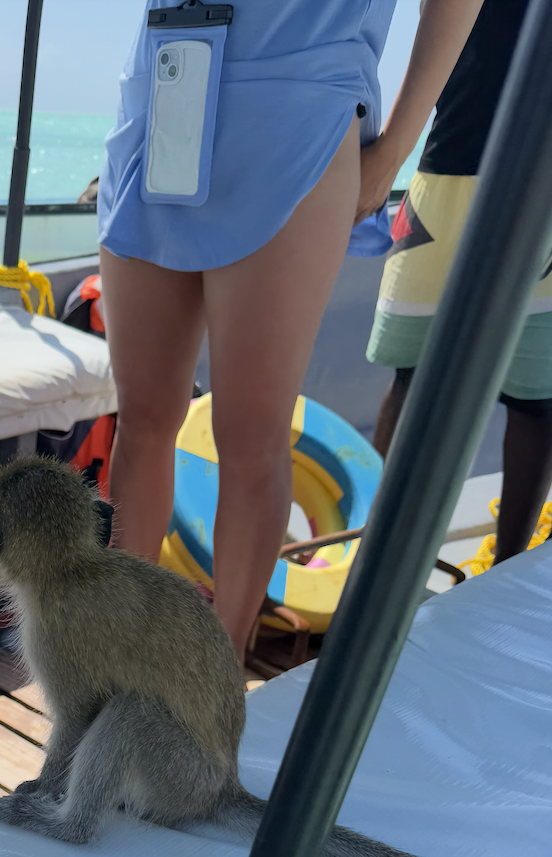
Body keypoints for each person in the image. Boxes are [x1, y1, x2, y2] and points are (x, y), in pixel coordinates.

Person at [96, 0, 487, 662]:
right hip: (163, 94)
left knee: (250, 438)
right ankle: (113, 664)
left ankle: (216, 685)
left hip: (299, 119)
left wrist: (395, 148)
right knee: (142, 420)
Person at [368, 0, 552, 567]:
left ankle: (507, 569)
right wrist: (389, 152)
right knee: (413, 377)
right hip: (448, 166)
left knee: (538, 399)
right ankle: (369, 555)